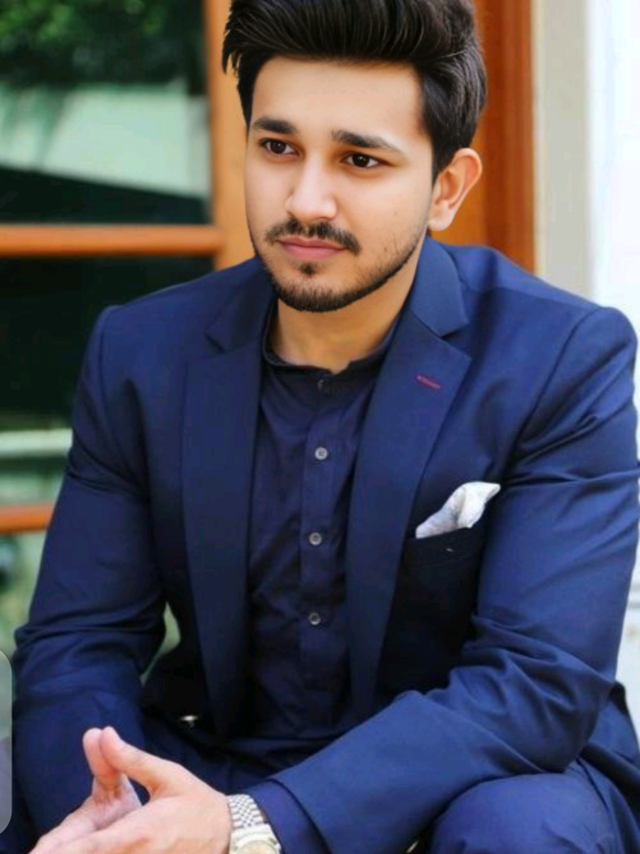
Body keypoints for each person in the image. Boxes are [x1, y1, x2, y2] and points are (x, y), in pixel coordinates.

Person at [3, 0, 640, 852]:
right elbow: (79, 641)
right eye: (278, 148)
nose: (306, 199)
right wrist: (114, 806)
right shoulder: (142, 352)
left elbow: (534, 684)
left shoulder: (560, 357)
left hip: (475, 776)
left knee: (520, 832)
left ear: (447, 188)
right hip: (215, 757)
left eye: (359, 160)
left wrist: (252, 827)